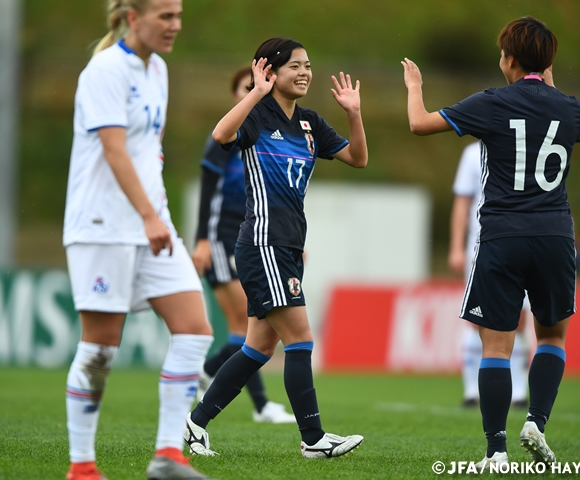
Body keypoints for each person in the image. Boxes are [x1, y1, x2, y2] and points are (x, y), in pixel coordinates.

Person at [403, 16, 580, 467]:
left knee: (495, 348)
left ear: (509, 59)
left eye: (502, 53)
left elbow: (419, 124)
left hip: (502, 236)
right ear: (548, 63)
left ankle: (496, 450)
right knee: (550, 337)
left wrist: (414, 86)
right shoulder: (573, 109)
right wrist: (547, 79)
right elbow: (574, 127)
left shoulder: (493, 102)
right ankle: (537, 422)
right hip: (554, 237)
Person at [183, 37, 368, 459]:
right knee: (300, 339)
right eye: (295, 66)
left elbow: (358, 158)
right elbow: (221, 133)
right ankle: (314, 439)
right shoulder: (257, 115)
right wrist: (255, 93)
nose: (304, 72)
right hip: (262, 243)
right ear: (270, 71)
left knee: (258, 349)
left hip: (287, 246)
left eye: (308, 65)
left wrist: (354, 115)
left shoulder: (311, 124)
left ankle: (195, 423)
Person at [63, 1, 215, 479]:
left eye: (178, 15)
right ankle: (82, 467)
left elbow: (150, 148)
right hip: (104, 226)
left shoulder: (159, 70)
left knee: (194, 329)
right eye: (165, 16)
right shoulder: (105, 70)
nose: (175, 26)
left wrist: (157, 213)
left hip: (152, 223)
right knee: (101, 348)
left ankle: (168, 456)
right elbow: (113, 150)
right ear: (133, 17)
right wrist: (149, 215)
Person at [191, 66, 295, 424]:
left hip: (254, 238)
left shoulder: (265, 136)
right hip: (220, 238)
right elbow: (207, 190)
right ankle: (251, 399)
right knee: (243, 325)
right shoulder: (224, 137)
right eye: (247, 88)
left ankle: (213, 379)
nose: (255, 92)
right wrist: (202, 239)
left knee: (250, 327)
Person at [449, 141, 529, 409]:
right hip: (480, 246)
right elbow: (463, 201)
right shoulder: (473, 153)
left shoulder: (525, 146)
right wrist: (456, 247)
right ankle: (472, 390)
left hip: (522, 243)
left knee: (520, 320)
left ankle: (519, 391)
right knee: (477, 317)